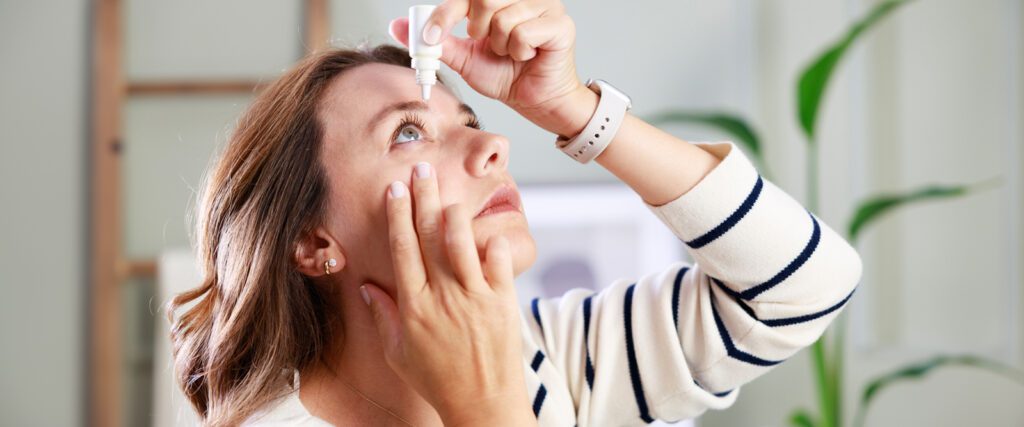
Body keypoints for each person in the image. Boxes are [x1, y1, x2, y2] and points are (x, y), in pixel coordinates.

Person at [168, 0, 862, 425]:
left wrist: (576, 111)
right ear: (313, 240)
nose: (493, 142)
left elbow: (805, 286)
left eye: (469, 117)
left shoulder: (543, 357)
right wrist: (487, 406)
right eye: (408, 132)